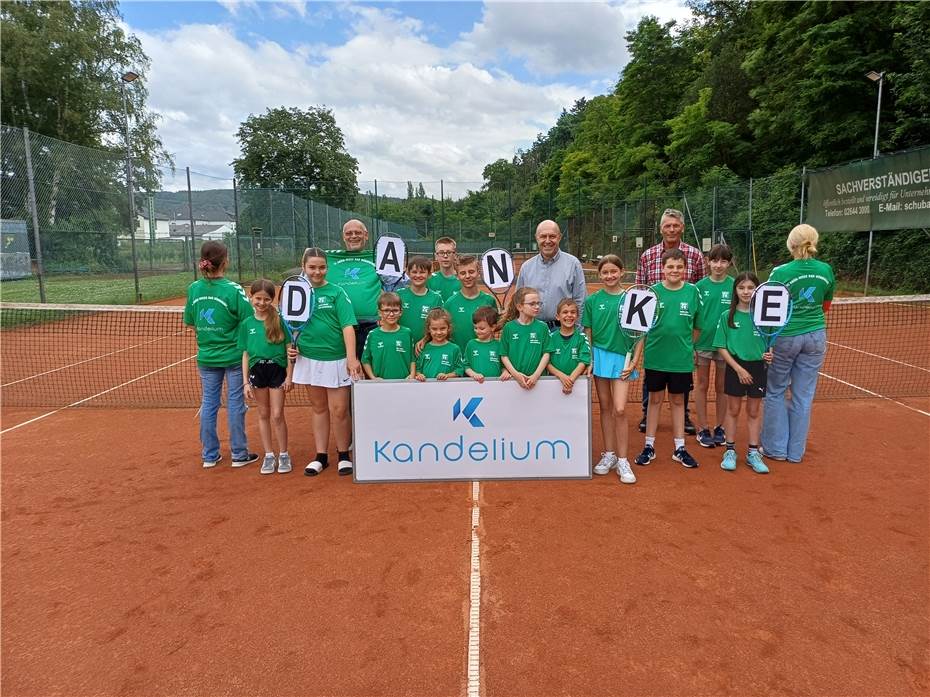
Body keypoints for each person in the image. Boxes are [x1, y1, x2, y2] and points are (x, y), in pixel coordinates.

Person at [761, 224, 835, 463]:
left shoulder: (780, 272)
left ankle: (775, 449)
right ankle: (795, 453)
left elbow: (769, 311)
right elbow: (825, 306)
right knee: (803, 395)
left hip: (785, 336)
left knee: (775, 391)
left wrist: (767, 342)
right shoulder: (826, 270)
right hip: (816, 336)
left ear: (791, 244)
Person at [183, 241, 258, 469]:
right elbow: (249, 320)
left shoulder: (193, 289)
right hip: (234, 357)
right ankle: (239, 454)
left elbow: (191, 323)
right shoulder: (233, 290)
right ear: (226, 260)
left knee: (209, 403)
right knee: (236, 403)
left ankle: (209, 455)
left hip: (207, 357)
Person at [288, 247, 361, 477]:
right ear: (303, 267)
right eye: (312, 267)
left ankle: (343, 455)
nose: (317, 272)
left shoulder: (336, 293)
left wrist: (351, 358)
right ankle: (321, 456)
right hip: (308, 358)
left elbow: (347, 326)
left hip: (337, 359)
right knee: (319, 408)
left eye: (321, 267)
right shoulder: (296, 292)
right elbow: (288, 325)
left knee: (339, 410)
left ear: (327, 268)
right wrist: (291, 348)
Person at [635, 208, 705, 435]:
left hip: (681, 330)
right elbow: (639, 290)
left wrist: (691, 342)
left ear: (682, 227)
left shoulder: (694, 255)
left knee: (681, 379)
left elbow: (699, 291)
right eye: (667, 226)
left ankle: (683, 416)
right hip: (655, 334)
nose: (672, 229)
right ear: (661, 229)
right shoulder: (647, 256)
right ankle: (648, 414)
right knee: (652, 376)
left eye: (676, 225)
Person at [634, 248, 703, 470]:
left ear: (685, 269)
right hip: (655, 358)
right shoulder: (651, 293)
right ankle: (649, 446)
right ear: (662, 269)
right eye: (670, 266)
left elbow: (697, 327)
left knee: (678, 402)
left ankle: (680, 448)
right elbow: (641, 329)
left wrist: (687, 347)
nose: (675, 270)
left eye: (679, 267)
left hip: (681, 360)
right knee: (654, 401)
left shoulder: (693, 292)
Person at [583, 255, 639, 484]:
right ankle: (610, 455)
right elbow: (588, 332)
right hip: (599, 357)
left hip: (623, 359)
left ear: (622, 272)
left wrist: (635, 360)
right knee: (605, 407)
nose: (609, 276)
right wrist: (590, 359)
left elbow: (640, 332)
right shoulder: (593, 300)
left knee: (620, 409)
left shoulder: (632, 299)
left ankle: (624, 459)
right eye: (605, 272)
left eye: (613, 271)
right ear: (599, 275)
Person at [713, 273, 774, 474]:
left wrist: (768, 355)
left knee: (754, 411)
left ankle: (753, 452)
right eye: (741, 288)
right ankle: (729, 450)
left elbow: (769, 343)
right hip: (735, 367)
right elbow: (721, 346)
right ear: (735, 291)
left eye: (750, 287)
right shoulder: (726, 316)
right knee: (733, 409)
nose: (746, 292)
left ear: (757, 290)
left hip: (758, 367)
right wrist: (738, 369)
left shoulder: (764, 315)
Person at [240, 279, 294, 475]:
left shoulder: (279, 321)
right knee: (263, 414)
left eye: (266, 299)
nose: (262, 303)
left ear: (272, 300)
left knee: (278, 414)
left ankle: (284, 454)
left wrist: (289, 376)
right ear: (251, 297)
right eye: (258, 298)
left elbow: (290, 349)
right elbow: (245, 353)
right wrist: (245, 381)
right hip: (257, 372)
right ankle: (269, 455)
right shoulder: (247, 324)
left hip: (277, 371)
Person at [693, 244, 733, 448]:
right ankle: (702, 427)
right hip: (702, 344)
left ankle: (720, 426)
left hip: (725, 346)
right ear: (708, 262)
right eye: (715, 260)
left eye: (723, 261)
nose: (719, 265)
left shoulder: (735, 286)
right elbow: (692, 318)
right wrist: (692, 345)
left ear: (729, 263)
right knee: (701, 384)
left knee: (721, 386)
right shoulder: (699, 287)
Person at [326, 219, 382, 360]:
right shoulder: (328, 257)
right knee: (343, 369)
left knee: (371, 368)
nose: (353, 236)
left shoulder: (380, 257)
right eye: (349, 233)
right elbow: (308, 257)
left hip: (372, 324)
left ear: (366, 235)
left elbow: (397, 284)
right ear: (343, 236)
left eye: (358, 232)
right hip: (338, 325)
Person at [515, 220, 587, 330]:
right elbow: (518, 301)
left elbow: (580, 301)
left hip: (563, 330)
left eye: (552, 236)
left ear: (559, 237)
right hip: (532, 330)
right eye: (543, 236)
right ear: (537, 238)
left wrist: (576, 332)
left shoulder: (573, 264)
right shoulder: (526, 267)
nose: (547, 241)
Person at [500, 287, 550, 389]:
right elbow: (504, 355)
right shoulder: (509, 327)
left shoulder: (543, 327)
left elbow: (546, 353)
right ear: (519, 307)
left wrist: (536, 375)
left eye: (538, 303)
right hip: (513, 381)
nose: (537, 307)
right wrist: (516, 375)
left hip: (538, 381)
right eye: (532, 304)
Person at [443, 255, 496, 351]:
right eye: (463, 273)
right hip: (458, 362)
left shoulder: (489, 301)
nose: (467, 276)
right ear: (457, 276)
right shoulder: (449, 303)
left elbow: (495, 329)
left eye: (471, 272)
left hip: (482, 359)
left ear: (478, 273)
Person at [362, 292, 416, 380]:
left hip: (404, 382)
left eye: (395, 310)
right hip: (381, 384)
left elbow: (412, 358)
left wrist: (412, 375)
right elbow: (365, 360)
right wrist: (373, 378)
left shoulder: (407, 332)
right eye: (386, 310)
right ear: (380, 312)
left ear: (401, 312)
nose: (391, 314)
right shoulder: (373, 334)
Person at [546, 298, 591, 395]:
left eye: (573, 312)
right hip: (553, 383)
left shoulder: (582, 338)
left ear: (577, 316)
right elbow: (547, 363)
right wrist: (562, 377)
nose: (569, 315)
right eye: (565, 312)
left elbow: (583, 362)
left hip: (576, 383)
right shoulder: (551, 338)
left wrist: (570, 380)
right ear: (557, 317)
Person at [398, 256, 443, 345]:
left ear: (429, 274)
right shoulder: (399, 295)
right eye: (414, 272)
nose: (418, 275)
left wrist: (425, 339)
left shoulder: (436, 298)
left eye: (422, 272)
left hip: (425, 346)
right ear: (408, 273)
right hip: (401, 345)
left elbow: (439, 325)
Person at [415, 308, 465, 380]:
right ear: (429, 329)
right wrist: (419, 375)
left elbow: (460, 370)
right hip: (425, 389)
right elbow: (417, 369)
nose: (438, 332)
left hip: (448, 389)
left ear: (449, 328)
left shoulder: (454, 348)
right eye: (434, 329)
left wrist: (447, 376)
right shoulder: (424, 348)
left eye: (442, 328)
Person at [464, 305, 510, 382]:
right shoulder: (471, 344)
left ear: (492, 327)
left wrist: (505, 372)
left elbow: (503, 366)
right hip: (475, 385)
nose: (477, 331)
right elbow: (465, 366)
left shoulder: (499, 345)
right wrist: (474, 374)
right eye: (475, 328)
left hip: (495, 386)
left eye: (482, 328)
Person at [426, 236, 462, 301]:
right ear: (436, 256)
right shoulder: (428, 279)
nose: (445, 256)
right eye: (441, 253)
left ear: (455, 255)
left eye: (449, 252)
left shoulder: (463, 279)